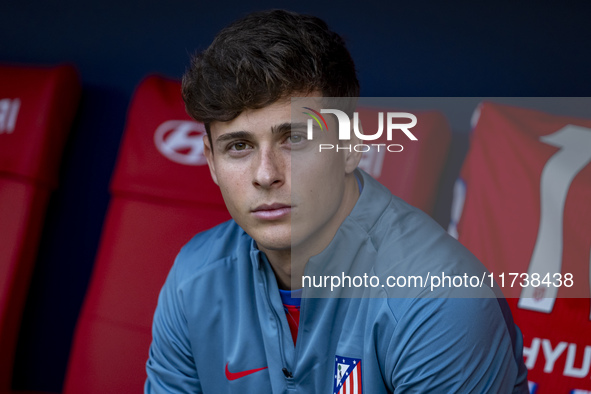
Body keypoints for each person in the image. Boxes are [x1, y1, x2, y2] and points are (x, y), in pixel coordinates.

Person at [145, 9, 529, 393]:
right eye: (239, 146)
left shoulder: (439, 300)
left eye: (294, 138)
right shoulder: (192, 278)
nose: (266, 174)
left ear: (350, 146)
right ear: (211, 162)